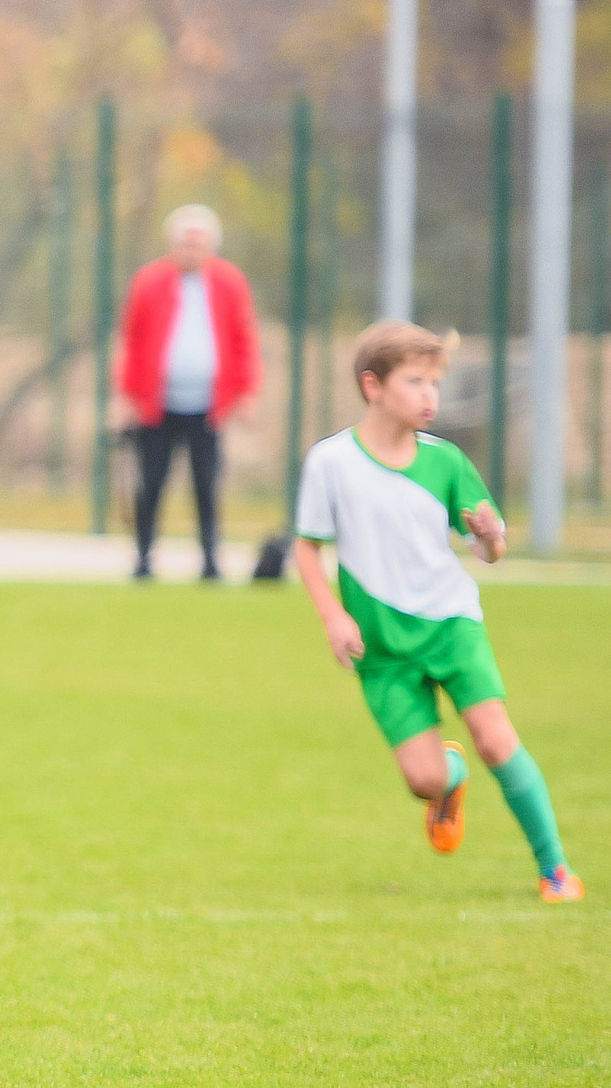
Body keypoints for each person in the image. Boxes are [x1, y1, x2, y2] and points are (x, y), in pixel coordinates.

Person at [291, 321, 582, 903]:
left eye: (435, 383)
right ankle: (450, 780)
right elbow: (307, 545)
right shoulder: (331, 462)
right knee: (422, 779)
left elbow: (490, 549)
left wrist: (490, 535)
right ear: (373, 386)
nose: (431, 395)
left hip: (452, 624)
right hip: (382, 647)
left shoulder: (447, 462)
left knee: (497, 742)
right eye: (415, 381)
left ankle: (555, 870)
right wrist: (333, 616)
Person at [119, 204, 260, 581]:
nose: (190, 251)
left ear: (210, 247)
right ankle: (144, 557)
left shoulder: (229, 284)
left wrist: (245, 393)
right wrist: (129, 396)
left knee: (206, 483)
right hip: (158, 404)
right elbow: (133, 341)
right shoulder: (149, 282)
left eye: (198, 245)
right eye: (184, 244)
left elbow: (243, 339)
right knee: (151, 482)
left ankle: (210, 560)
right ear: (172, 245)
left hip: (207, 406)